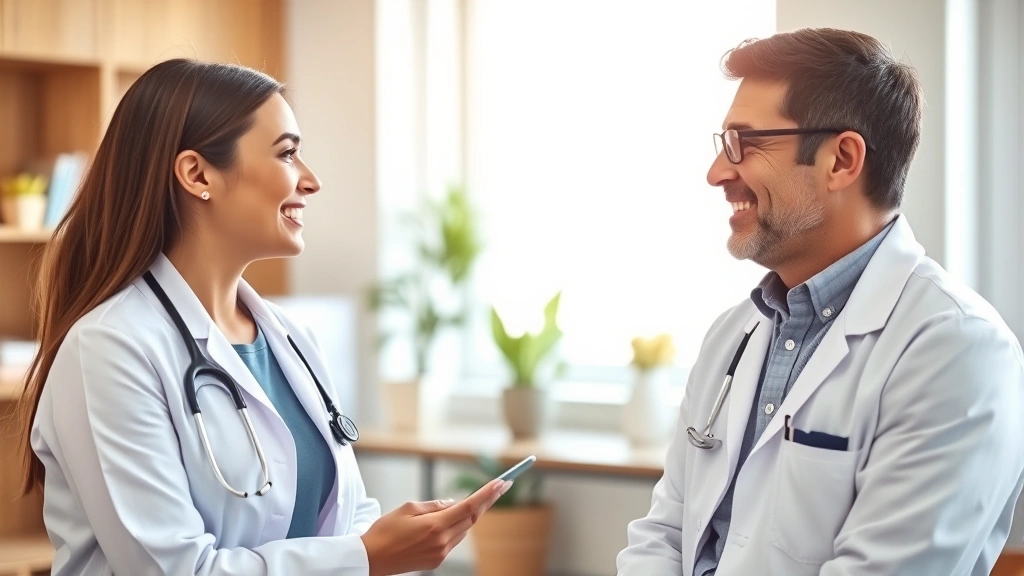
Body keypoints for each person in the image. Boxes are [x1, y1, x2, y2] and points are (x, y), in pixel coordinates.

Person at [16, 59, 510, 576]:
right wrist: (367, 555)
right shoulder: (109, 349)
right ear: (198, 173)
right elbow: (171, 570)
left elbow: (347, 519)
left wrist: (386, 543)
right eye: (288, 153)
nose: (311, 180)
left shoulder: (291, 339)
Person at [616, 27, 1024, 576]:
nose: (717, 173)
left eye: (745, 143)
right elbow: (663, 534)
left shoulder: (959, 350)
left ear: (841, 160)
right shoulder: (732, 334)